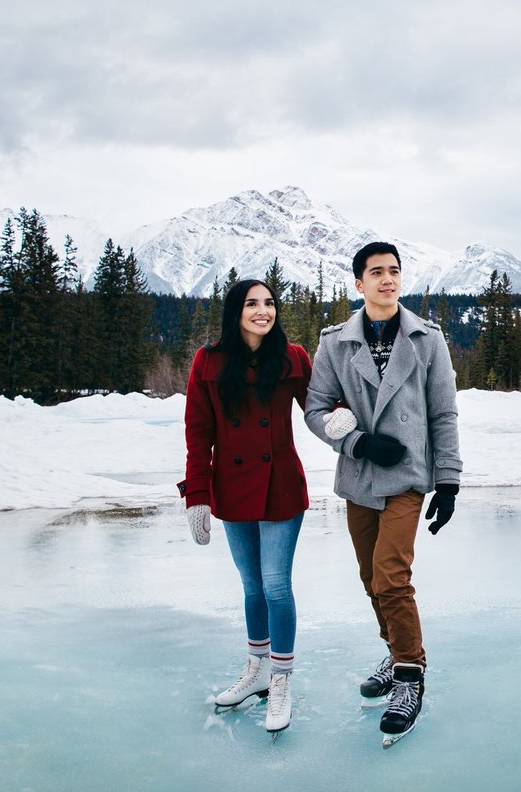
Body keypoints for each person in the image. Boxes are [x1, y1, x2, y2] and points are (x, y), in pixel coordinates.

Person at [178, 279, 354, 735]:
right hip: (231, 488)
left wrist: (338, 413)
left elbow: (318, 402)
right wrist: (196, 495)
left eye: (270, 303)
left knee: (276, 585)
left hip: (279, 487)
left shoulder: (292, 357)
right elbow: (198, 434)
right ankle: (255, 670)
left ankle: (280, 679)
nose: (263, 311)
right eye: (253, 304)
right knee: (252, 586)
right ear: (236, 311)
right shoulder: (208, 361)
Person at [304, 241, 463, 746]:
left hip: (410, 477)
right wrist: (359, 442)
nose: (388, 280)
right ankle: (395, 650)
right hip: (360, 477)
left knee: (392, 575)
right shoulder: (335, 343)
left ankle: (410, 677)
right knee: (371, 577)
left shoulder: (426, 339)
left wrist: (449, 480)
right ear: (359, 283)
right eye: (376, 272)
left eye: (394, 271)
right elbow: (314, 410)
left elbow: (443, 412)